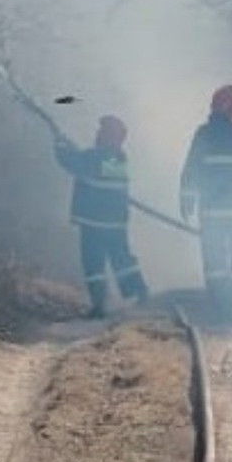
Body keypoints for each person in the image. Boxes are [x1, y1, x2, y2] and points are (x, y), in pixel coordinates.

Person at [179, 83, 232, 327]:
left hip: (211, 214)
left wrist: (187, 201)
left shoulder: (203, 135)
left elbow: (190, 171)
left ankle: (221, 311)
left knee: (215, 264)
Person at [54, 114, 149, 319]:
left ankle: (99, 306)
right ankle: (138, 291)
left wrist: (59, 144)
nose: (98, 134)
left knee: (94, 265)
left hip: (94, 224)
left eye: (102, 131)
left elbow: (71, 162)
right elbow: (83, 160)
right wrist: (68, 145)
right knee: (122, 260)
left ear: (109, 136)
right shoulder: (118, 159)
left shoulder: (96, 157)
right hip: (115, 224)